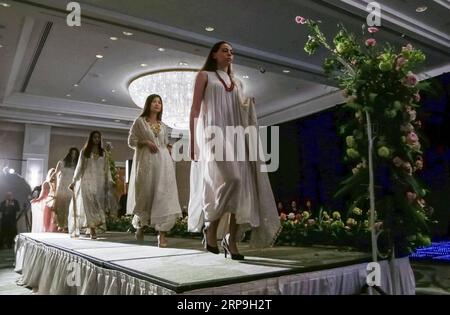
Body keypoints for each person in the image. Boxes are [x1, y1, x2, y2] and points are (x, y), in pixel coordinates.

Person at [188, 41, 280, 260]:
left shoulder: (237, 82)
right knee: (234, 180)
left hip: (236, 134)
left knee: (242, 187)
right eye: (224, 50)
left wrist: (248, 104)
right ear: (214, 54)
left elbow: (238, 107)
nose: (229, 54)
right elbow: (194, 109)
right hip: (213, 133)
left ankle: (231, 239)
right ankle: (211, 228)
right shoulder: (204, 76)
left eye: (232, 52)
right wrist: (193, 141)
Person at [127, 94, 182, 247]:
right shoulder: (139, 122)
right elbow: (131, 141)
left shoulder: (163, 125)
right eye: (154, 102)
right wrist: (144, 142)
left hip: (163, 163)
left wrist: (169, 147)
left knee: (164, 196)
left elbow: (163, 143)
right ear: (148, 104)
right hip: (146, 163)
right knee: (145, 195)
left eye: (159, 102)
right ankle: (140, 225)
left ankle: (162, 235)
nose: (157, 104)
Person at [69, 131, 114, 239]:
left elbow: (106, 168)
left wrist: (110, 180)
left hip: (99, 183)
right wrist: (74, 181)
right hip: (86, 181)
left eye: (98, 137)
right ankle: (93, 229)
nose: (97, 139)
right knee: (89, 205)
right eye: (94, 137)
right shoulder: (85, 152)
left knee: (97, 205)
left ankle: (92, 227)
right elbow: (79, 168)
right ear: (91, 138)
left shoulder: (103, 153)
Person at [54, 147, 79, 232]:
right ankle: (61, 225)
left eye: (75, 154)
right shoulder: (62, 162)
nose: (73, 155)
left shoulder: (77, 165)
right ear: (69, 154)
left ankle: (68, 225)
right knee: (61, 206)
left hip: (71, 187)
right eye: (72, 153)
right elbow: (55, 174)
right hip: (62, 186)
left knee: (70, 206)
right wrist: (54, 187)